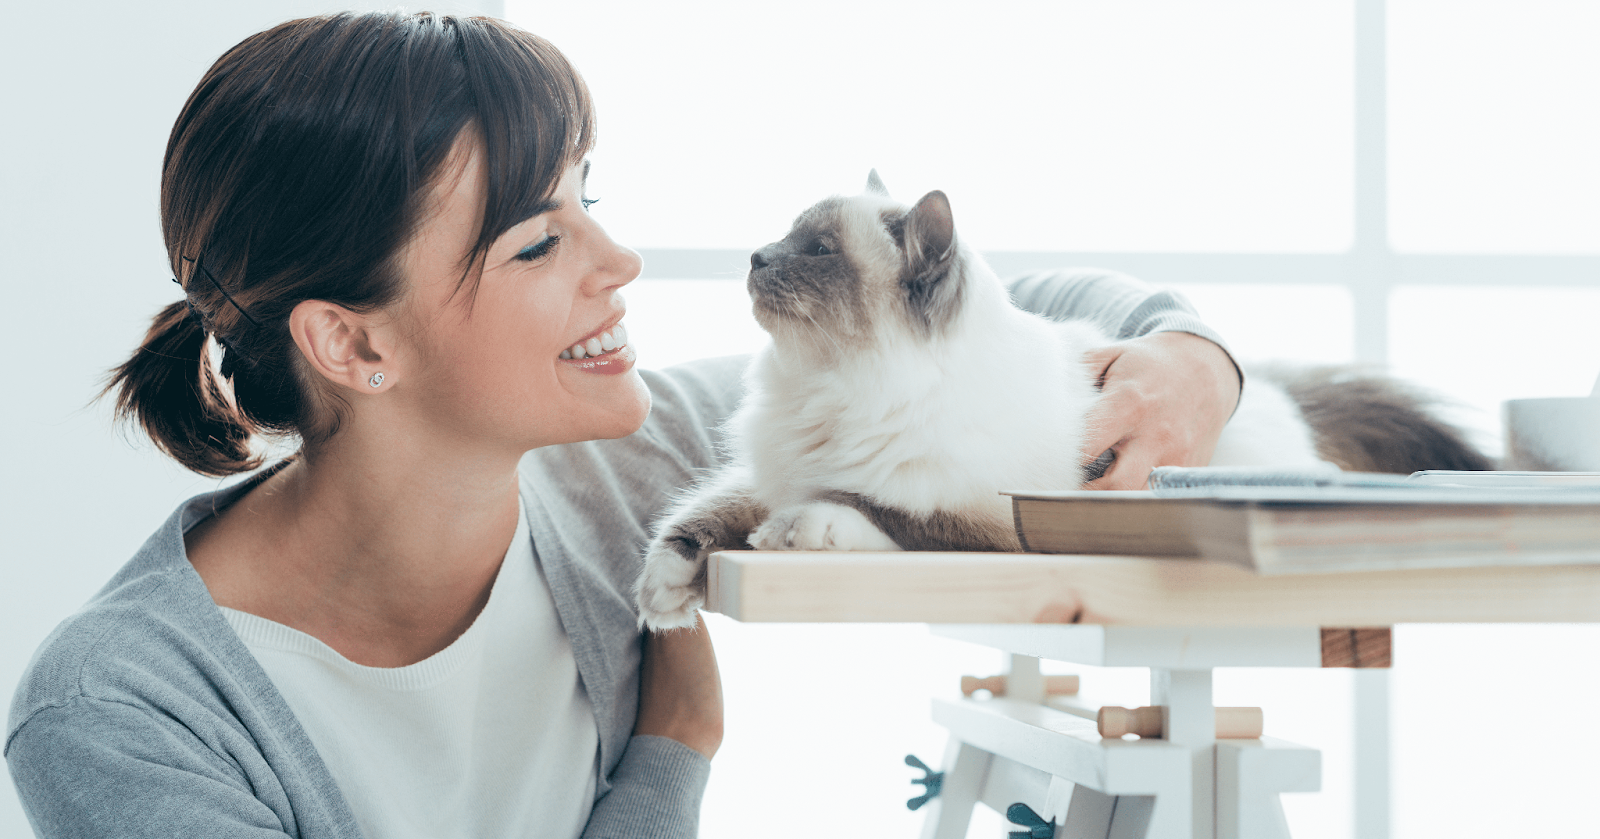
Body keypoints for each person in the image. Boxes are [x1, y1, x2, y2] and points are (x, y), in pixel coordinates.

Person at [3, 11, 1240, 839]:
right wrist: (670, 750)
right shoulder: (124, 713)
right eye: (541, 238)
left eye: (594, 199)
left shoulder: (618, 472)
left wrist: (1191, 363)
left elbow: (1031, 314)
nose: (622, 259)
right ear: (354, 343)